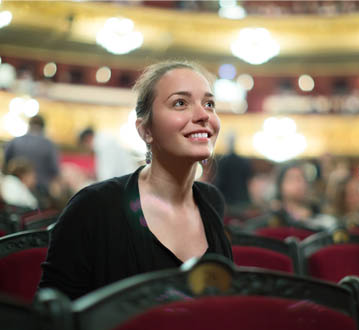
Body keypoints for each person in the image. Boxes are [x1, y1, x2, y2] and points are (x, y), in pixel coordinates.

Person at [38, 60, 233, 300]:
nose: (203, 115)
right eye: (180, 103)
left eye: (209, 104)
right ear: (145, 130)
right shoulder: (95, 206)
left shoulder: (211, 202)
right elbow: (53, 313)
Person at [4, 114, 60, 208]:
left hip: (15, 186)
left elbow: (6, 162)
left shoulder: (15, 141)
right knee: (36, 218)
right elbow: (54, 170)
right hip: (41, 190)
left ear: (29, 125)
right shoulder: (49, 145)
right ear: (43, 127)